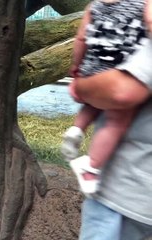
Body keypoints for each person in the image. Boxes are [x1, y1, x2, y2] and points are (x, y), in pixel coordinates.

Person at [61, 0, 150, 195]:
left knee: (92, 102)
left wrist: (76, 68)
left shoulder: (94, 6)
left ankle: (77, 129)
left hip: (93, 67)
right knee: (116, 122)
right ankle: (91, 167)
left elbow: (81, 39)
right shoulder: (143, 5)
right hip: (120, 70)